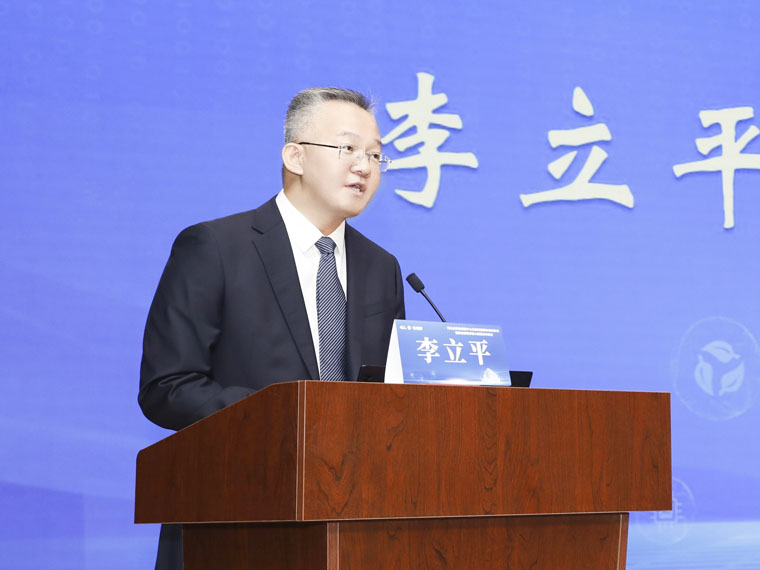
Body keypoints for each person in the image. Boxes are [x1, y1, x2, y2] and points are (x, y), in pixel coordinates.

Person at [139, 87, 405, 570]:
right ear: (295, 156)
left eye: (375, 154)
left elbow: (386, 395)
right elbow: (168, 387)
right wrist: (287, 419)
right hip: (234, 522)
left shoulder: (380, 267)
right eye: (348, 148)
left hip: (353, 528)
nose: (364, 167)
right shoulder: (215, 247)